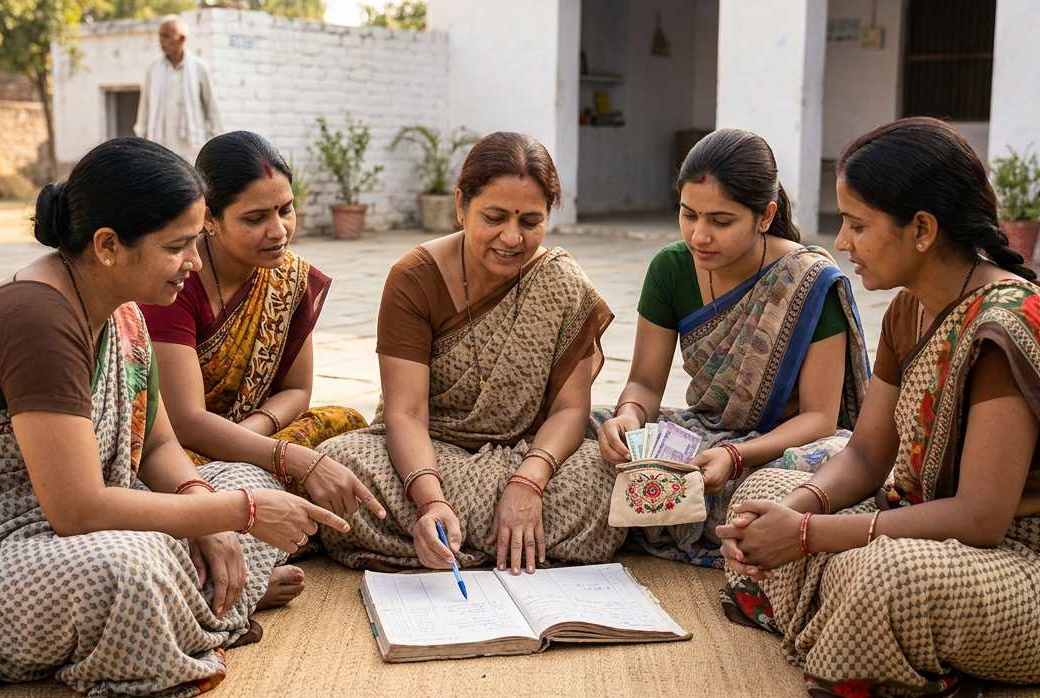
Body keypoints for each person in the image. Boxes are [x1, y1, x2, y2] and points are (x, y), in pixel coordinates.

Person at [0, 138, 356, 698]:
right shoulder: (36, 318)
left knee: (239, 482)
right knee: (128, 571)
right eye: (177, 247)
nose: (194, 263)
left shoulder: (123, 310)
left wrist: (206, 505)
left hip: (61, 535)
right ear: (107, 245)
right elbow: (76, 510)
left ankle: (198, 598)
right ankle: (201, 603)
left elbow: (160, 444)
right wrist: (234, 513)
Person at [721, 117, 1040, 698]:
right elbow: (867, 456)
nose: (842, 242)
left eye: (857, 224)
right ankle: (845, 625)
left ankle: (858, 636)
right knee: (766, 489)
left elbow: (980, 518)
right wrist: (798, 510)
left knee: (878, 575)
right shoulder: (909, 311)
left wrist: (810, 536)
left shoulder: (1005, 329)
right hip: (931, 529)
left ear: (921, 229)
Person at [318, 132, 624, 575]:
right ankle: (498, 540)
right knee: (344, 467)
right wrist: (430, 500)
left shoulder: (561, 282)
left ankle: (454, 542)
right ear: (461, 205)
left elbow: (571, 410)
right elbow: (405, 415)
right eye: (495, 217)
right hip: (429, 452)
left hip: (526, 453)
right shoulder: (414, 278)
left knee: (605, 476)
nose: (512, 237)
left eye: (531, 221)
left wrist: (528, 482)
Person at [594, 128, 870, 566]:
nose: (699, 235)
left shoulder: (809, 280)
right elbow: (645, 382)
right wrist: (628, 417)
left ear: (765, 216)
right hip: (707, 435)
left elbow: (820, 417)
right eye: (688, 215)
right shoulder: (671, 268)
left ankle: (669, 520)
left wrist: (737, 455)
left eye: (720, 222)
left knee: (810, 480)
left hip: (778, 451)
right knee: (588, 431)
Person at [141, 131, 378, 529]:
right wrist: (285, 457)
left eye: (285, 210)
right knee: (176, 480)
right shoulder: (178, 280)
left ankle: (270, 514)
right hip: (185, 447)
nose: (278, 230)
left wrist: (256, 436)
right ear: (209, 220)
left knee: (347, 424)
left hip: (257, 432)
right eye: (255, 218)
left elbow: (298, 389)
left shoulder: (291, 279)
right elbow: (184, 420)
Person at [134, 14, 221, 164]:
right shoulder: (153, 68)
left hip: (192, 145)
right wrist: (141, 137)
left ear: (182, 39)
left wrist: (217, 144)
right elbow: (145, 106)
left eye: (167, 36)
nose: (161, 41)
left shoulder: (200, 68)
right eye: (160, 36)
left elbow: (211, 108)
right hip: (159, 144)